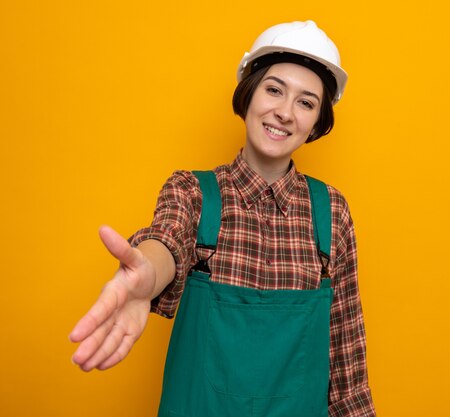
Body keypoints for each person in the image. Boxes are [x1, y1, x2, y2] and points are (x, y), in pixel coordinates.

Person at [70, 20, 376, 417]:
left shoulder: (332, 211)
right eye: (274, 90)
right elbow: (167, 239)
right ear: (248, 95)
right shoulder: (193, 192)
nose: (284, 113)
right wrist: (147, 271)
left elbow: (347, 363)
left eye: (306, 102)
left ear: (317, 122)